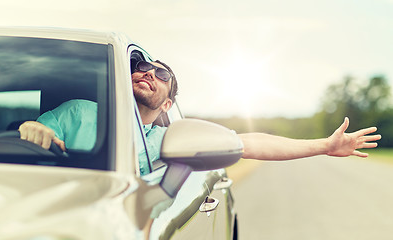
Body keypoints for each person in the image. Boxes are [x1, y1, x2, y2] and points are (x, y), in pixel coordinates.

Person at [19, 60, 381, 168]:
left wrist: (323, 145)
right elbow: (34, 129)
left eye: (162, 75)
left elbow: (249, 142)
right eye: (142, 66)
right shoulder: (79, 112)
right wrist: (34, 132)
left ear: (166, 105)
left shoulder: (166, 140)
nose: (149, 72)